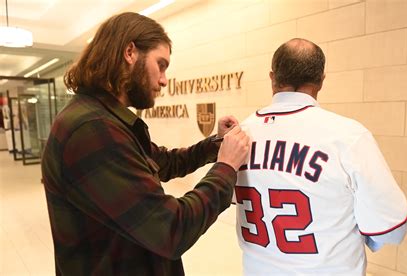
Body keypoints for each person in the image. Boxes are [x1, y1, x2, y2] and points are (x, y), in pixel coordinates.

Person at [41, 12, 250, 275]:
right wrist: (226, 169)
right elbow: (172, 229)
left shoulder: (105, 119)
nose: (163, 80)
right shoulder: (92, 130)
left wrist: (215, 145)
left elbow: (165, 162)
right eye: (160, 65)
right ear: (130, 52)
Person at [235, 38, 407, 275]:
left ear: (272, 77)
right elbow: (391, 226)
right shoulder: (349, 135)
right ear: (321, 80)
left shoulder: (238, 136)